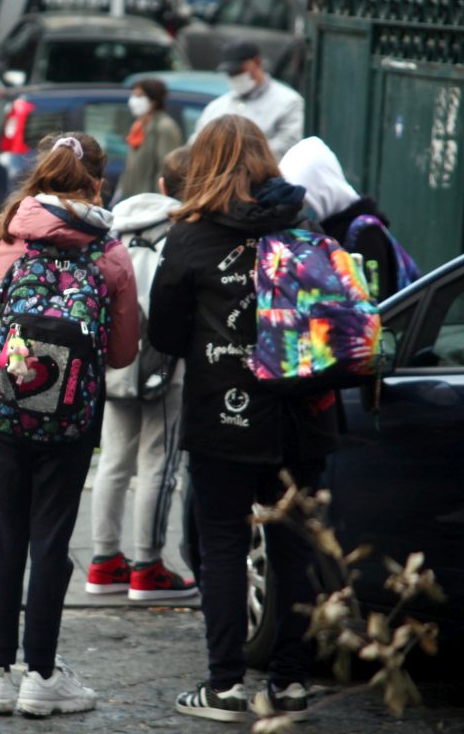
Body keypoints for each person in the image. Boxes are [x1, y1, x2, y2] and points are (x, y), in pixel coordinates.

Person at [0, 132, 139, 718]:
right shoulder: (110, 254)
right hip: (73, 420)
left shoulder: (5, 239)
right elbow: (124, 351)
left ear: (40, 177)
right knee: (51, 542)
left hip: (4, 409)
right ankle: (42, 676)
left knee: (6, 538)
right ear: (97, 184)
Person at [148, 115, 336, 723]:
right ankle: (292, 682)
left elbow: (168, 334)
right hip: (301, 412)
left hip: (223, 413)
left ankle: (225, 685)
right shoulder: (303, 225)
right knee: (292, 547)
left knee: (223, 545)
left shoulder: (191, 236)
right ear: (265, 160)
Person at [85, 145, 198, 603]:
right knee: (158, 463)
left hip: (116, 358)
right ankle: (147, 566)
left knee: (113, 460)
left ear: (163, 185)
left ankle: (103, 560)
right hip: (165, 364)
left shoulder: (113, 226)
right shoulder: (187, 234)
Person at [280, 136, 410, 303]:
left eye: (304, 203)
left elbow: (374, 305)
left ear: (322, 191)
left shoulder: (364, 234)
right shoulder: (322, 232)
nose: (299, 211)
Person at [192, 40, 303, 159]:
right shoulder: (217, 107)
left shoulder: (288, 102)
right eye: (230, 73)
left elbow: (287, 146)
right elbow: (196, 144)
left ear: (257, 62)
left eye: (239, 71)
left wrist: (237, 160)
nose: (235, 76)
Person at [116, 78, 183, 199]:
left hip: (150, 202)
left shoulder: (165, 127)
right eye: (134, 95)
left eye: (139, 96)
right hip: (133, 199)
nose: (134, 100)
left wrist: (159, 201)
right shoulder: (138, 125)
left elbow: (166, 170)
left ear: (153, 101)